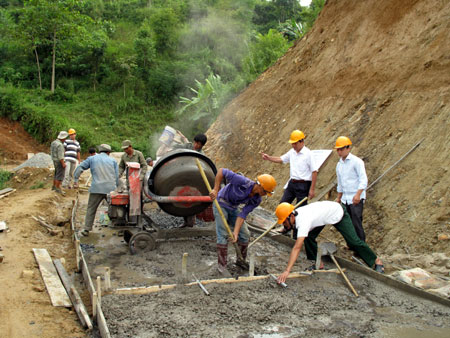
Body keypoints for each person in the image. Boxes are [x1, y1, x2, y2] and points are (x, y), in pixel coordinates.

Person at [275, 201, 384, 284]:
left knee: (353, 242)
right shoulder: (298, 215)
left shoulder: (304, 222)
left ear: (292, 216)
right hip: (323, 215)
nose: (284, 224)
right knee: (309, 237)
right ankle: (318, 263)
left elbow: (297, 247)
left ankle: (376, 261)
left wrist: (287, 271)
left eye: (284, 222)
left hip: (337, 213)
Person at [209, 169, 277, 273]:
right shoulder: (242, 181)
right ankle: (222, 266)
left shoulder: (257, 200)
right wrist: (215, 189)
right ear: (259, 186)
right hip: (221, 203)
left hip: (233, 207)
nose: (264, 194)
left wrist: (235, 233)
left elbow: (242, 215)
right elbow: (221, 171)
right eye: (264, 192)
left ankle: (240, 260)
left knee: (245, 234)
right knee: (222, 233)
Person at [261, 130, 318, 238]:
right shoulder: (292, 152)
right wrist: (269, 158)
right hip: (292, 183)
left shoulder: (308, 154)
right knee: (283, 205)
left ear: (302, 142)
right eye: (292, 143)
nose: (293, 145)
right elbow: (281, 159)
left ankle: (297, 235)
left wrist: (312, 189)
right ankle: (286, 227)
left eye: (295, 143)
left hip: (303, 185)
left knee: (300, 211)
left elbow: (314, 172)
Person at [73, 144, 119, 236]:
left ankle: (86, 229)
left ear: (100, 151)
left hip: (96, 188)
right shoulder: (113, 161)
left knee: (91, 209)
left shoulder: (92, 159)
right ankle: (119, 228)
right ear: (108, 152)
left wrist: (76, 180)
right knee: (115, 208)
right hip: (110, 189)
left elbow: (80, 167)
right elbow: (116, 176)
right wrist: (116, 188)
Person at [335, 136, 368, 242]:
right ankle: (352, 244)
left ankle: (361, 246)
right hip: (345, 198)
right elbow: (340, 183)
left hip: (355, 198)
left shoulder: (356, 162)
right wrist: (339, 198)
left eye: (341, 149)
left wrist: (358, 194)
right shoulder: (339, 165)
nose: (339, 152)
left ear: (348, 148)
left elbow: (363, 179)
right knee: (348, 224)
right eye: (338, 149)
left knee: (356, 222)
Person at [175, 133, 208, 228]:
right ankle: (185, 221)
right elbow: (177, 148)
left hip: (192, 180)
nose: (196, 145)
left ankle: (190, 221)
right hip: (181, 175)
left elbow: (203, 168)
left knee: (190, 200)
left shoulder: (201, 155)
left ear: (202, 145)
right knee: (180, 198)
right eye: (196, 143)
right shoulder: (188, 146)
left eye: (199, 144)